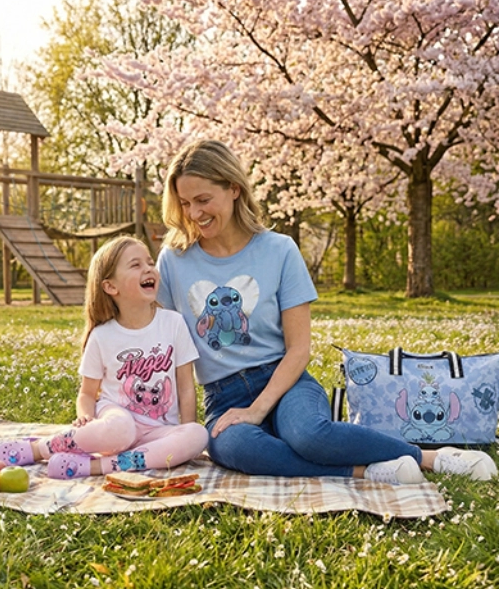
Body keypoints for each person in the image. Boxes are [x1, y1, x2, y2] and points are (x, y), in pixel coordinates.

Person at [156, 139, 497, 484]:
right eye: (184, 203)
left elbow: (299, 348)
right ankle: (365, 470)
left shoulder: (279, 250)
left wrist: (258, 409)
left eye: (202, 200)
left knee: (308, 436)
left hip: (286, 381)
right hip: (222, 393)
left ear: (233, 189)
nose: (193, 213)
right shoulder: (174, 259)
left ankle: (431, 457)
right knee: (238, 448)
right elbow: (163, 342)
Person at [0, 235, 208, 480]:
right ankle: (38, 449)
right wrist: (86, 415)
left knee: (197, 435)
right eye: (135, 265)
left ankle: (94, 467)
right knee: (122, 429)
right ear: (110, 287)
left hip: (157, 433)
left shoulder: (173, 323)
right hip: (115, 425)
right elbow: (87, 393)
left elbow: (186, 386)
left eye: (149, 262)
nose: (148, 268)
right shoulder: (102, 336)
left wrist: (185, 427)